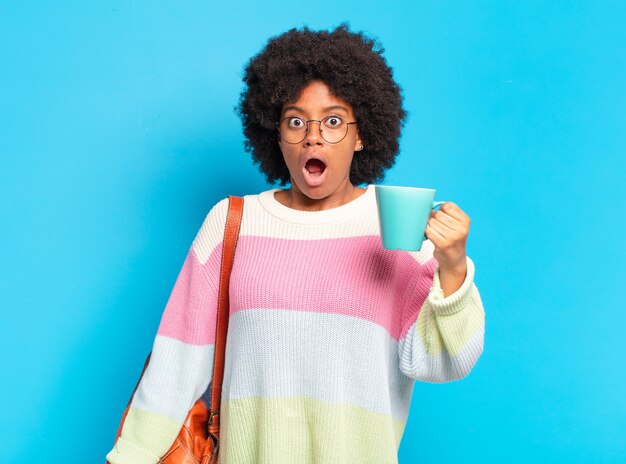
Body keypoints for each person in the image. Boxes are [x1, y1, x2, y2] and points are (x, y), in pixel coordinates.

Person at [106, 23, 485, 464]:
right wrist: (129, 457)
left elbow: (444, 362)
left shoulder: (397, 230)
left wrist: (453, 266)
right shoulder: (232, 222)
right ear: (276, 134)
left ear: (362, 135)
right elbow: (176, 362)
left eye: (334, 120)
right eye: (295, 120)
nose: (313, 135)